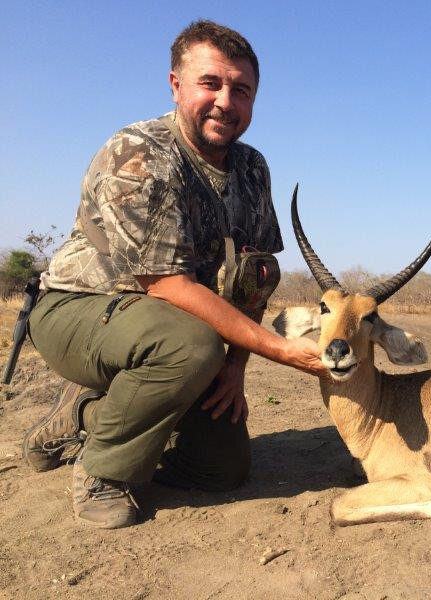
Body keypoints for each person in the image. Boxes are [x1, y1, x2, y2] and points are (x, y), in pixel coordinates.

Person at [22, 20, 325, 529]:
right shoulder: (140, 151)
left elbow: (257, 277)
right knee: (188, 346)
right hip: (79, 311)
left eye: (241, 90)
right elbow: (164, 284)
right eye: (211, 84)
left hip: (172, 328)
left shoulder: (252, 168)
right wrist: (279, 351)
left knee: (222, 470)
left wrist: (235, 369)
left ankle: (91, 415)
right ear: (176, 85)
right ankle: (102, 471)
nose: (226, 102)